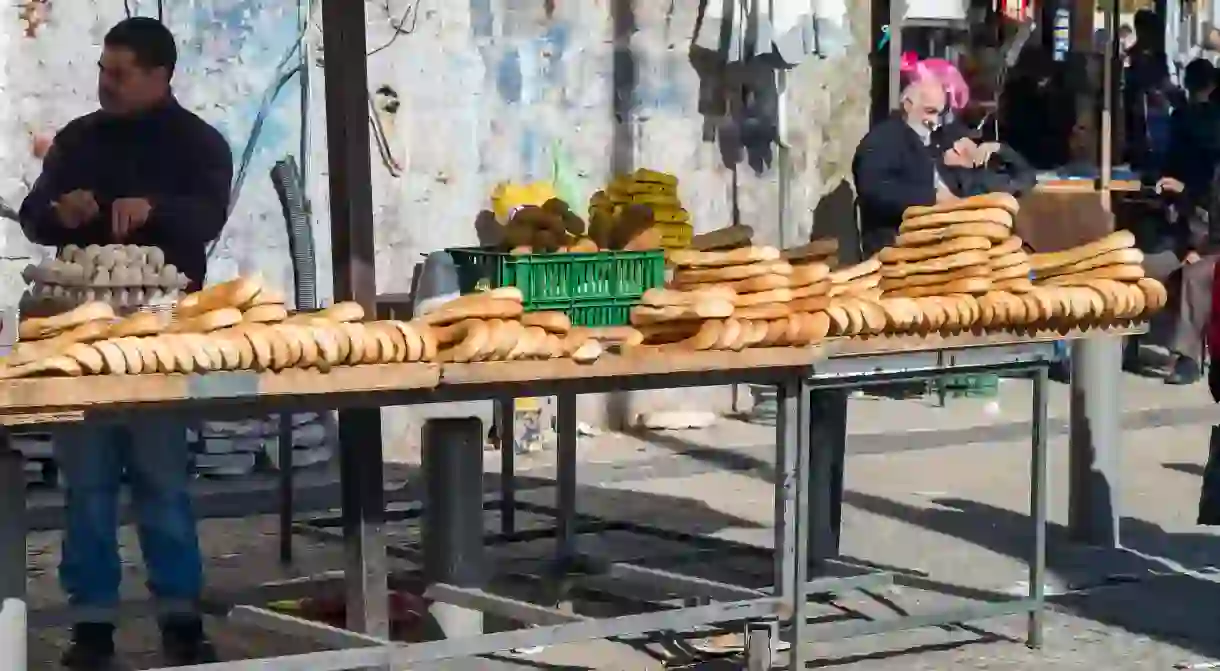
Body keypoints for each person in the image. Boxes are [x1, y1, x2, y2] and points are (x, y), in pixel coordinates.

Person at [18, 18, 231, 668]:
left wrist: (153, 210)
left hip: (162, 340)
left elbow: (208, 214)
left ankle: (180, 617)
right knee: (87, 484)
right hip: (81, 337)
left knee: (162, 478)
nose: (105, 83)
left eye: (120, 73)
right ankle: (91, 625)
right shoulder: (80, 140)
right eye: (102, 70)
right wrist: (63, 214)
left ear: (160, 75)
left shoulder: (198, 144)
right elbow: (33, 215)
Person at [1138, 58, 1220, 385]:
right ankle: (1124, 342)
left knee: (1196, 275)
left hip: (1208, 247)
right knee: (1143, 265)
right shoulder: (1213, 170)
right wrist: (1182, 192)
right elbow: (1204, 205)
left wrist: (1202, 249)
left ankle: (1186, 358)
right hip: (1195, 237)